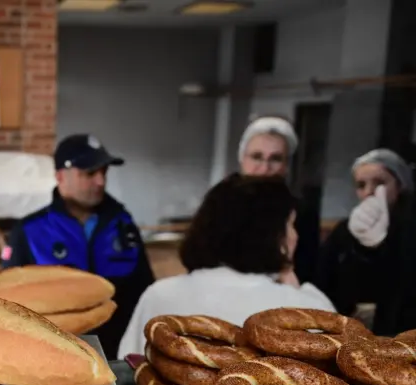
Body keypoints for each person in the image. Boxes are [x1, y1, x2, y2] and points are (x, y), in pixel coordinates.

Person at [117, 174, 335, 356]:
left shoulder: (158, 295)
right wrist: (295, 287)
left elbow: (127, 368)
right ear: (275, 238)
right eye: (290, 225)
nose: (295, 236)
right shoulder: (308, 308)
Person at [1, 134, 155, 359]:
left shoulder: (123, 225)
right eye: (90, 173)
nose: (100, 181)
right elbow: (9, 304)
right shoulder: (29, 231)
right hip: (53, 355)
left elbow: (145, 290)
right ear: (60, 176)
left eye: (104, 172)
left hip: (119, 356)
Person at [315, 148, 416, 334]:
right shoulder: (344, 230)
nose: (369, 192)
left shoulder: (410, 231)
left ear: (400, 185)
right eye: (361, 185)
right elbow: (324, 279)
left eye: (379, 183)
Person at [236, 115, 320, 285]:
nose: (265, 168)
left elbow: (308, 273)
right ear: (242, 160)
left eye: (275, 159)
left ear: (286, 166)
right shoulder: (219, 207)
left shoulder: (302, 213)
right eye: (256, 157)